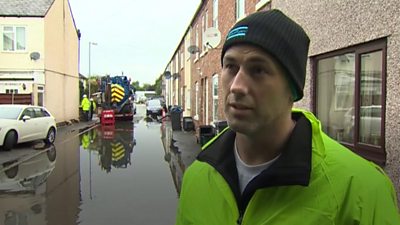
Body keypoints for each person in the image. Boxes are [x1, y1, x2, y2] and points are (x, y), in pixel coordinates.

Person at [175, 9, 400, 224]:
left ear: (292, 89)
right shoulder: (198, 175)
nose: (237, 86)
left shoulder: (361, 191)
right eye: (231, 67)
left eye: (258, 70)